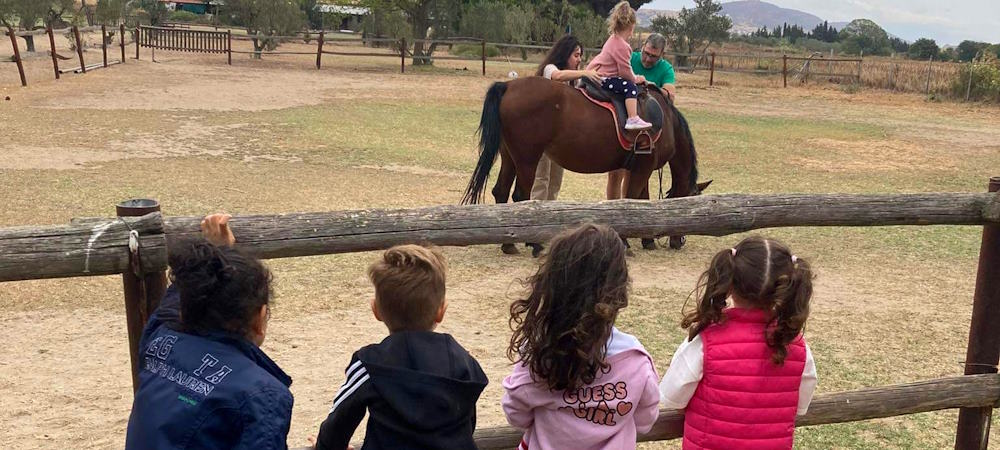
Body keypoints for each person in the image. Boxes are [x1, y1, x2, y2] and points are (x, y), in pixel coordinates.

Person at [125, 214, 293, 450]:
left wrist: (217, 252)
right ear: (260, 317)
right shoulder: (263, 395)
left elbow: (176, 302)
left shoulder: (160, 340)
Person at [314, 245, 488, 450]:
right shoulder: (463, 361)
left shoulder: (369, 364)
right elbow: (468, 422)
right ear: (441, 311)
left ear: (376, 310)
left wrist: (327, 445)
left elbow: (340, 420)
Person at [502, 224, 660, 450]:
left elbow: (515, 414)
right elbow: (646, 420)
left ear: (551, 286)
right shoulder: (635, 361)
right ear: (619, 290)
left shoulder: (539, 352)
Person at [659, 236, 818, 449]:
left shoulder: (706, 341)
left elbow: (671, 397)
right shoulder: (796, 345)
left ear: (731, 283)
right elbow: (800, 405)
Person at [525, 35, 603, 256]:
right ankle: (534, 231)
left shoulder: (574, 81)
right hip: (542, 136)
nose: (578, 60)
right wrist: (585, 72)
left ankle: (547, 226)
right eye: (576, 55)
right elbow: (557, 76)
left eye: (580, 56)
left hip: (560, 139)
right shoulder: (550, 69)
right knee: (541, 181)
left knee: (555, 184)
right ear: (565, 54)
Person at [586, 1, 652, 131]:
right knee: (630, 86)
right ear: (631, 27)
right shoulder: (623, 46)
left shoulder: (613, 38)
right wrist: (636, 78)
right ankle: (632, 118)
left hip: (596, 73)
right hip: (603, 78)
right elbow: (625, 72)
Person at [630, 33, 676, 101]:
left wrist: (654, 88)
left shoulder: (666, 69)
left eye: (654, 56)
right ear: (643, 47)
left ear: (662, 54)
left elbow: (671, 97)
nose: (648, 59)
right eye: (646, 53)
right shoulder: (629, 58)